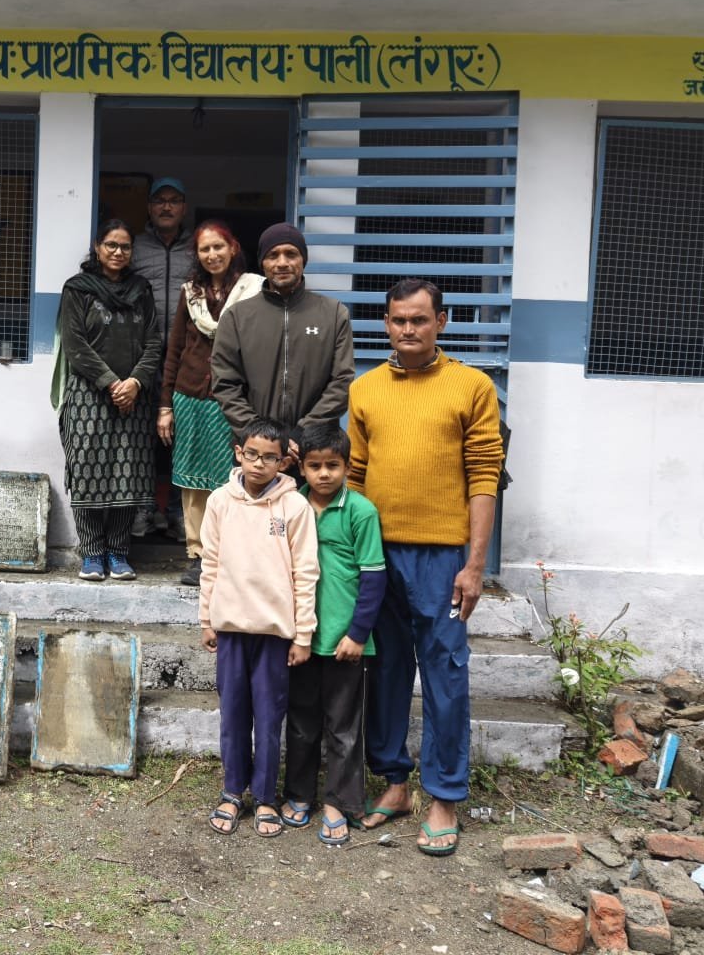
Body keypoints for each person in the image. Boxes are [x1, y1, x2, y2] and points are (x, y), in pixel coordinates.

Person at [348, 278, 505, 857]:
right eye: (398, 320)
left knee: (445, 673)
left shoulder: (472, 386)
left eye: (418, 319)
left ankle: (443, 795)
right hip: (377, 556)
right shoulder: (365, 389)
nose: (407, 329)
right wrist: (349, 558)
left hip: (443, 559)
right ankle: (394, 782)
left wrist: (475, 564)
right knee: (385, 669)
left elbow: (485, 475)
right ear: (386, 324)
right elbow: (355, 477)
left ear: (441, 321)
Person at [199, 419, 320, 839]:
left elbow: (306, 573)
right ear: (239, 453)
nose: (259, 464)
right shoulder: (220, 501)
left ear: (283, 461)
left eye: (270, 457)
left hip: (274, 634)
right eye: (252, 454)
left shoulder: (294, 507)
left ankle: (266, 797)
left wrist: (303, 634)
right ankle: (233, 791)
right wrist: (206, 619)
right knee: (233, 715)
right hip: (231, 629)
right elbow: (210, 563)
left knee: (269, 718)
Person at [280, 421, 387, 847]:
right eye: (314, 466)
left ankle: (339, 803)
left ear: (347, 466)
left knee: (344, 727)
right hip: (301, 637)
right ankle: (298, 793)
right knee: (301, 722)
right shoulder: (291, 505)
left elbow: (374, 578)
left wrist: (358, 634)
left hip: (345, 641)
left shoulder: (360, 511)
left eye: (332, 465)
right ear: (301, 467)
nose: (324, 474)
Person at [55, 219, 162, 582]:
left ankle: (118, 552)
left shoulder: (140, 290)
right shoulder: (78, 289)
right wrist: (113, 383)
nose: (118, 252)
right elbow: (75, 344)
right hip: (89, 395)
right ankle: (91, 553)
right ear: (97, 248)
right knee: (87, 472)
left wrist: (135, 383)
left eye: (125, 246)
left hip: (134, 398)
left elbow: (153, 342)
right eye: (111, 245)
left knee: (125, 474)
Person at [156, 221, 262, 586]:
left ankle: (228, 554)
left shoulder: (253, 290)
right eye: (205, 249)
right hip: (189, 398)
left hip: (231, 399)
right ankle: (198, 554)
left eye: (219, 246)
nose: (212, 254)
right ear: (197, 254)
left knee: (230, 478)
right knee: (192, 483)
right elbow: (175, 349)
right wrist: (165, 405)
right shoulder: (192, 293)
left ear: (233, 248)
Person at [210, 223, 354, 461]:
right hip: (256, 452)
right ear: (262, 263)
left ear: (303, 260)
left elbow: (342, 381)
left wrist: (302, 433)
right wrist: (263, 437)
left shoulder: (333, 313)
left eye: (291, 254)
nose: (282, 262)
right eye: (273, 255)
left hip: (316, 449)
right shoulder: (237, 317)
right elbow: (225, 383)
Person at [131, 176, 195, 541]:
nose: (166, 206)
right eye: (159, 200)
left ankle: (176, 511)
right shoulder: (135, 248)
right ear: (149, 207)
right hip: (142, 356)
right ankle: (143, 507)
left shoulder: (197, 248)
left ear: (184, 207)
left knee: (181, 436)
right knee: (142, 434)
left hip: (187, 356)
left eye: (173, 200)